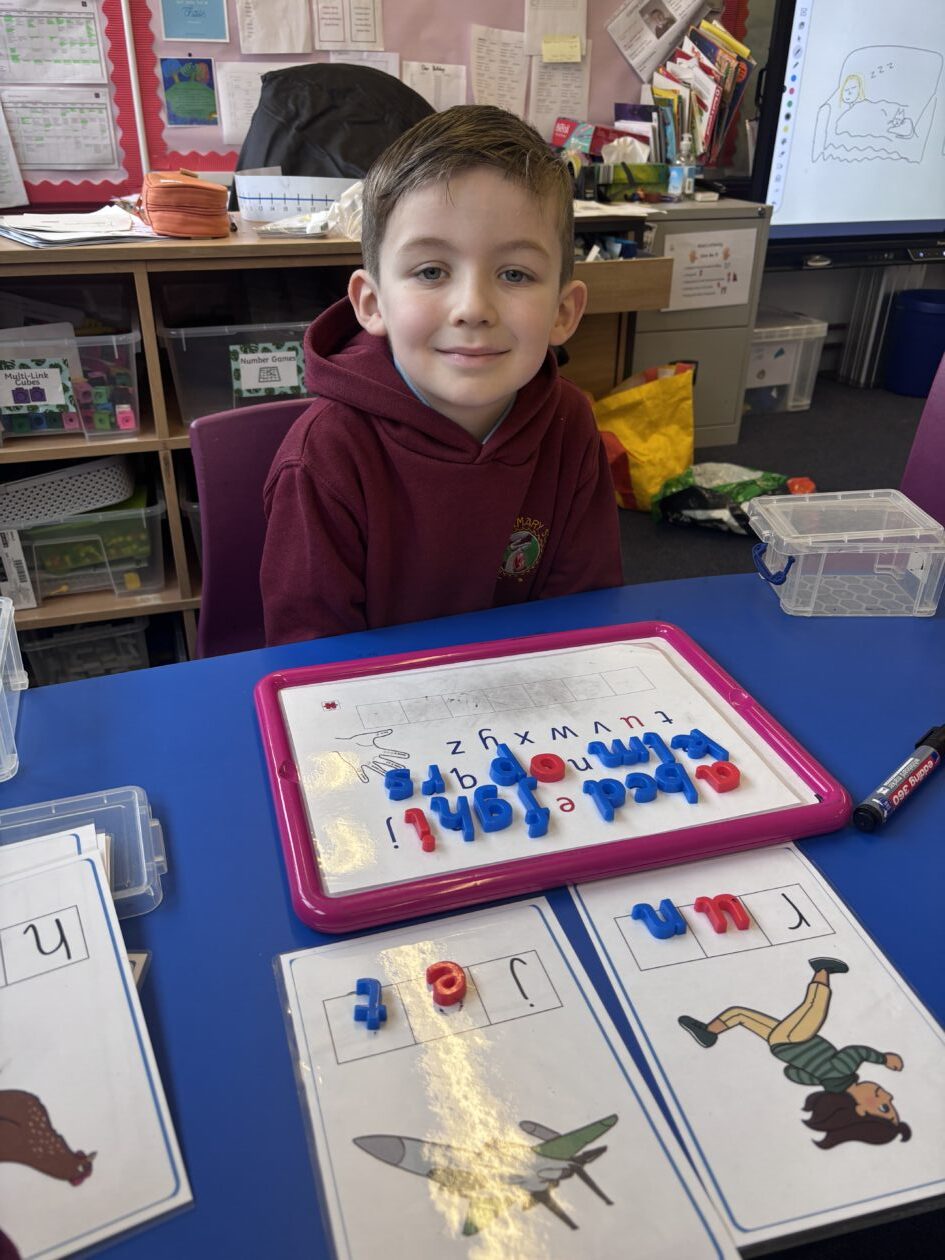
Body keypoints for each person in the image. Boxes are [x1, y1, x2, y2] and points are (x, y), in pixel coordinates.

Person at [260, 105, 622, 646]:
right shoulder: (326, 454)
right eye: (431, 271)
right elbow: (313, 661)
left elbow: (585, 618)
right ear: (372, 303)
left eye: (515, 274)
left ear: (563, 313)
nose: (472, 308)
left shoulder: (570, 423)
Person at [678, 958, 911, 1149]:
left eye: (883, 1108)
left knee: (815, 1006)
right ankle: (709, 1032)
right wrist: (800, 1061)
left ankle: (822, 969)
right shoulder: (822, 1081)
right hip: (781, 1048)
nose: (889, 1098)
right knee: (741, 1015)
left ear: (860, 1110)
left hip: (796, 1039)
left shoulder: (842, 1071)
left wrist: (883, 1059)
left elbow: (855, 1052)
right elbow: (792, 1073)